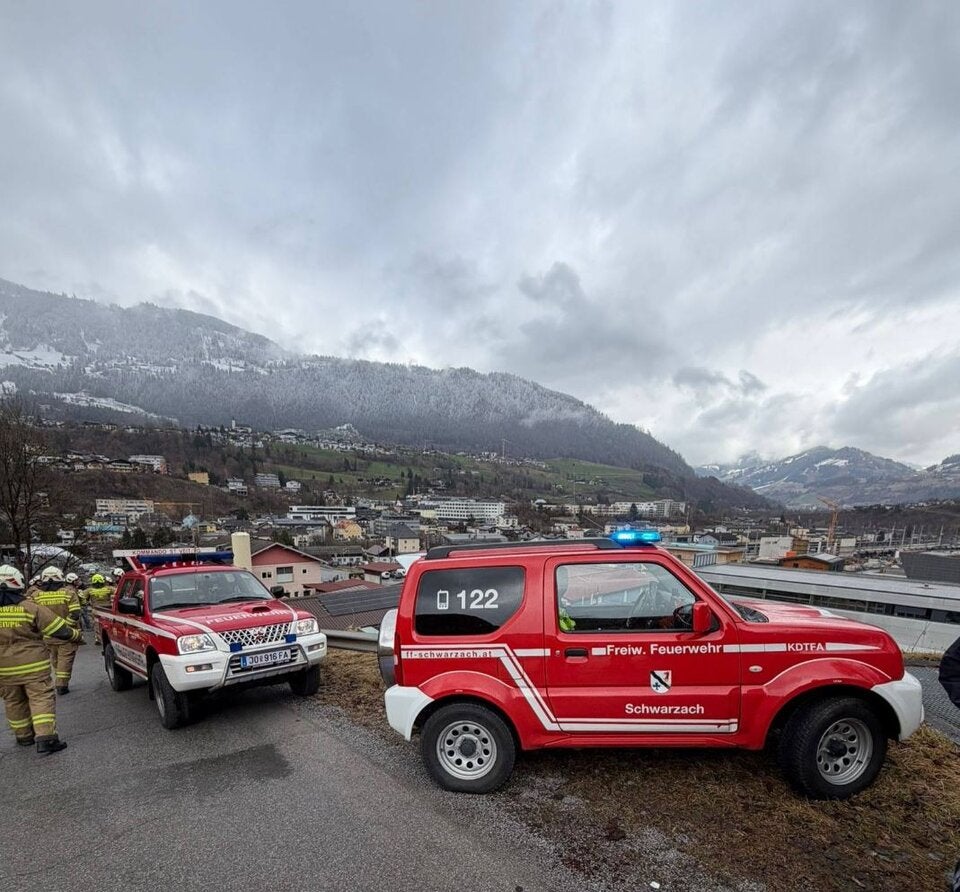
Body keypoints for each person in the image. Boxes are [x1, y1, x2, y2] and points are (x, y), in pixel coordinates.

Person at [0, 564, 84, 754]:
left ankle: (23, 737)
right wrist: (76, 635)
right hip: (32, 666)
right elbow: (59, 630)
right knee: (40, 698)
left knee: (13, 701)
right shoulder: (29, 608)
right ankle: (46, 739)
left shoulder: (35, 598)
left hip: (3, 670)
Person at [28, 566, 81, 694]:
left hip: (46, 636)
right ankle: (61, 684)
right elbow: (75, 613)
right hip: (66, 635)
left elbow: (30, 615)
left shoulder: (35, 596)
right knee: (65, 659)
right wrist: (65, 627)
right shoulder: (69, 594)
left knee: (55, 659)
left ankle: (59, 679)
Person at [84, 572, 115, 644]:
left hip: (96, 610)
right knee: (109, 623)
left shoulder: (89, 590)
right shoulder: (109, 589)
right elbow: (117, 592)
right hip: (107, 609)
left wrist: (86, 603)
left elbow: (82, 597)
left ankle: (98, 639)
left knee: (96, 624)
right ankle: (110, 637)